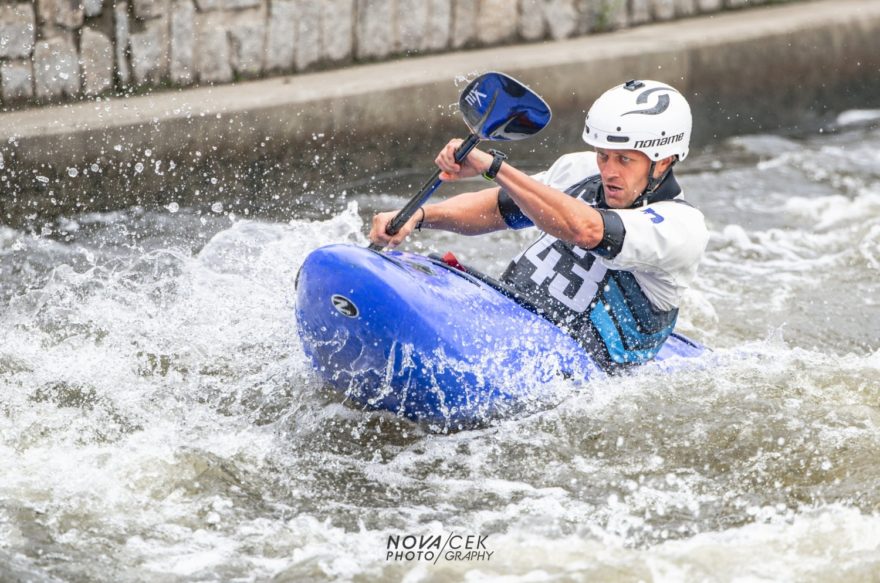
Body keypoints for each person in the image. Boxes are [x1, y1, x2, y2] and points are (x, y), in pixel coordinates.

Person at [369, 79, 709, 370]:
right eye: (603, 155)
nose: (609, 170)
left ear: (664, 160)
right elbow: (498, 209)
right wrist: (422, 217)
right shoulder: (581, 170)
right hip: (509, 316)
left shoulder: (680, 227)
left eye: (624, 160)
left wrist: (494, 167)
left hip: (580, 371)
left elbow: (586, 230)